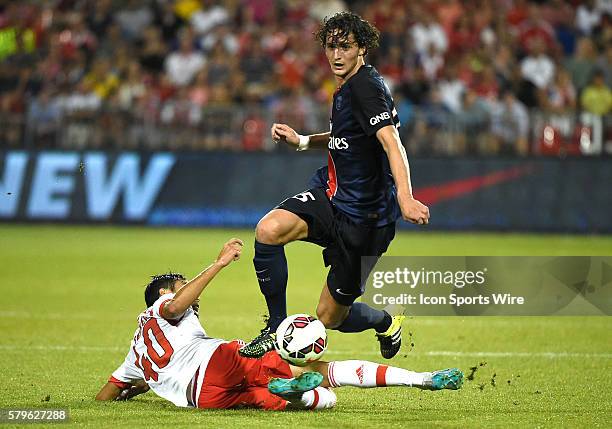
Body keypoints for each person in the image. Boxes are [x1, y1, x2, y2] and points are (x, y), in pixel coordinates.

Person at [239, 12, 430, 360]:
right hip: (331, 197)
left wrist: (406, 197)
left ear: (362, 50)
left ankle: (385, 321)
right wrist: (301, 141)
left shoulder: (365, 88)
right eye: (331, 46)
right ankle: (275, 328)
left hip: (365, 220)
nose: (336, 55)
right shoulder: (348, 87)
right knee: (269, 230)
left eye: (345, 46)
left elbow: (392, 142)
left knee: (330, 317)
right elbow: (345, 137)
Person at [95, 238, 463, 411]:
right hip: (220, 361)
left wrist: (133, 391)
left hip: (204, 398)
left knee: (324, 401)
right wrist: (219, 263)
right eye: (181, 282)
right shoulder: (163, 306)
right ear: (161, 292)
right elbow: (176, 304)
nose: (189, 288)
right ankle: (422, 379)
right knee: (323, 370)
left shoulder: (135, 350)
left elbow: (109, 391)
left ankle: (290, 391)